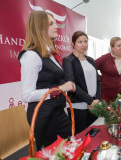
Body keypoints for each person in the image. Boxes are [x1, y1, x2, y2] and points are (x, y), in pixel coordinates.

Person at [18, 11, 75, 151]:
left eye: (55, 22)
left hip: (56, 111)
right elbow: (27, 95)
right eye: (51, 23)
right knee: (48, 154)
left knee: (72, 146)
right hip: (42, 115)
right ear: (40, 28)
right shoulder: (31, 55)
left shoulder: (48, 53)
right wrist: (61, 88)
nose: (56, 26)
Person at [62, 31, 101, 134]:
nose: (83, 44)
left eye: (85, 41)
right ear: (73, 44)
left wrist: (97, 99)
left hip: (94, 105)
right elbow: (72, 85)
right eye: (79, 42)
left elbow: (98, 81)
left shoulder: (91, 60)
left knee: (94, 135)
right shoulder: (68, 61)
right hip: (78, 107)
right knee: (81, 137)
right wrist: (90, 101)